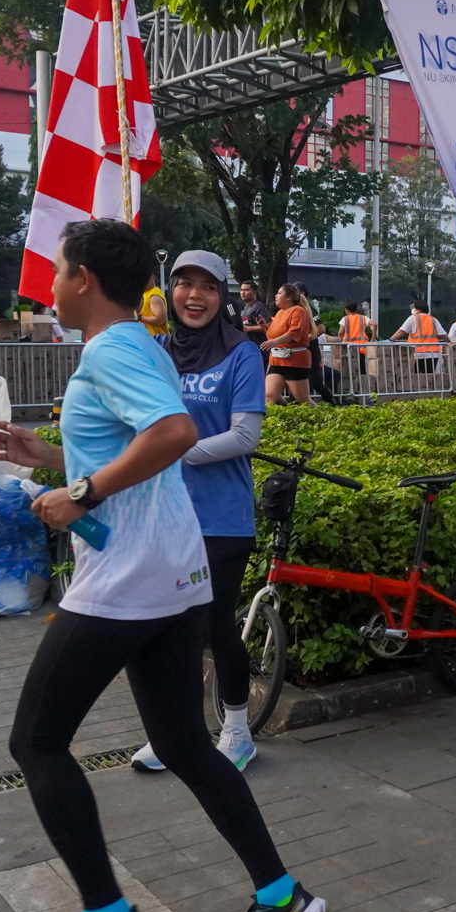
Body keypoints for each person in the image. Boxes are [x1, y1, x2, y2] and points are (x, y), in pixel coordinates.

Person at [0, 219, 324, 912]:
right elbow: (138, 445)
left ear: (83, 280)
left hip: (128, 579)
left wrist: (80, 492)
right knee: (183, 744)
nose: (50, 284)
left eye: (58, 270)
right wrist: (50, 456)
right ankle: (281, 897)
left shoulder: (114, 349)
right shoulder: (140, 346)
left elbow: (171, 434)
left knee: (36, 743)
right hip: (174, 574)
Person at [130, 251, 268, 774]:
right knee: (166, 629)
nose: (195, 296)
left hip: (221, 518)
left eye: (208, 286)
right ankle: (176, 735)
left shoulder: (241, 354)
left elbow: (245, 436)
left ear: (222, 296)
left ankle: (237, 731)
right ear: (170, 292)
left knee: (214, 626)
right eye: (185, 284)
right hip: (162, 513)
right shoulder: (158, 351)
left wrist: (175, 450)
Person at [262, 283, 314, 405]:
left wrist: (275, 341)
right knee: (269, 396)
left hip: (294, 360)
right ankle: (279, 414)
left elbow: (294, 333)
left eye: (279, 293)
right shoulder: (280, 313)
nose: (276, 296)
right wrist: (265, 327)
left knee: (303, 400)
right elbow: (273, 334)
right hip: (277, 359)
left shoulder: (299, 311)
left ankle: (322, 416)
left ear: (288, 297)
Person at [393, 300, 446, 374]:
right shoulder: (433, 319)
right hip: (433, 354)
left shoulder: (413, 318)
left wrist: (391, 339)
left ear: (419, 310)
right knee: (428, 377)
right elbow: (443, 334)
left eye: (415, 308)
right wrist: (449, 341)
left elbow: (402, 331)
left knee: (415, 377)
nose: (413, 310)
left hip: (417, 353)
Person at [239, 280, 273, 346]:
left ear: (255, 292)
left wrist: (248, 328)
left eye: (246, 290)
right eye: (241, 290)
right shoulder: (246, 307)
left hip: (260, 345)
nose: (243, 293)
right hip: (248, 344)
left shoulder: (259, 307)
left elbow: (270, 325)